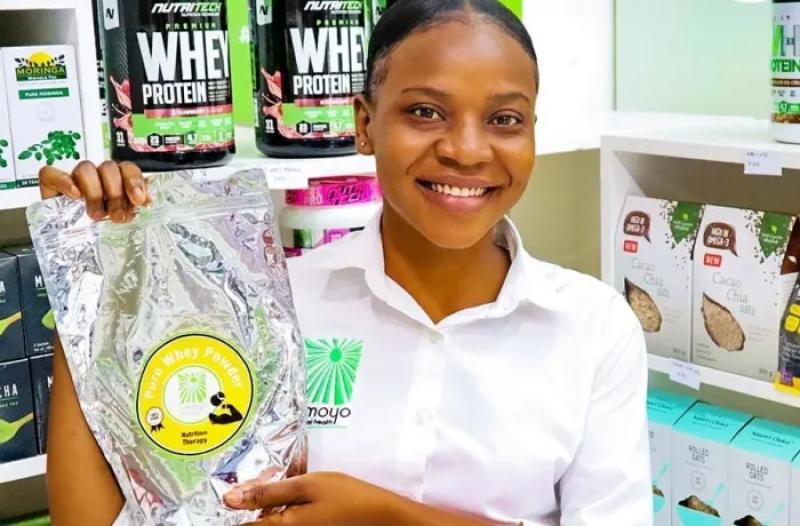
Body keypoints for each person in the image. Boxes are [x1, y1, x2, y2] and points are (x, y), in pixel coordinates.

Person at [40, 0, 652, 524]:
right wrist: (89, 275)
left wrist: (385, 516)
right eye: (425, 112)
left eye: (504, 119)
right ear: (364, 123)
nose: (467, 150)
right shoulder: (271, 308)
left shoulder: (593, 328)